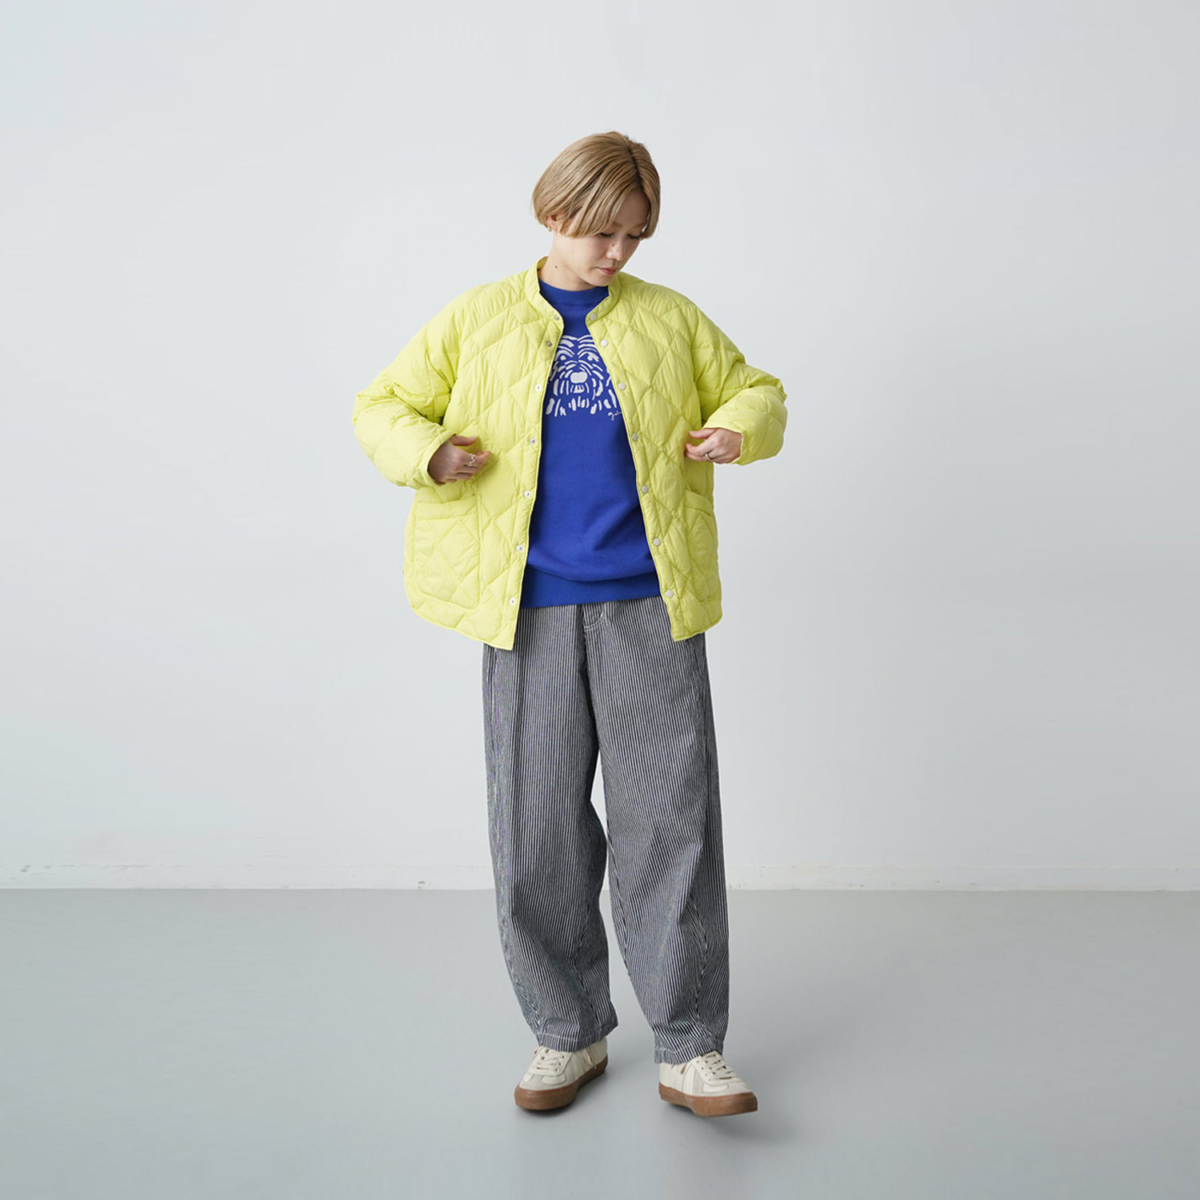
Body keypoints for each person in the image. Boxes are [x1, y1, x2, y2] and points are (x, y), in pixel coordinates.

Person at [352, 131, 787, 1118]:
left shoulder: (668, 318)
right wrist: (429, 452)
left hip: (650, 602)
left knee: (669, 824)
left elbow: (757, 388)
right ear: (553, 214)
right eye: (601, 233)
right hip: (525, 607)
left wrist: (738, 429)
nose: (616, 253)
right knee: (536, 828)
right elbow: (382, 405)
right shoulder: (477, 317)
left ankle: (690, 1047)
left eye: (635, 236)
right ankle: (568, 1030)